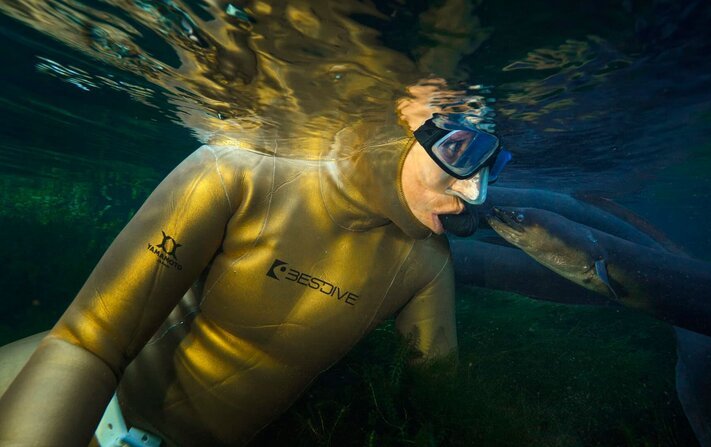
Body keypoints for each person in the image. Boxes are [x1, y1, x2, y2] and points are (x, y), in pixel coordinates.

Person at [0, 86, 509, 446]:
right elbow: (86, 342)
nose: (475, 191)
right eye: (460, 151)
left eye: (492, 165)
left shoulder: (427, 263)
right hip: (51, 400)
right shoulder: (238, 173)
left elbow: (437, 404)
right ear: (395, 124)